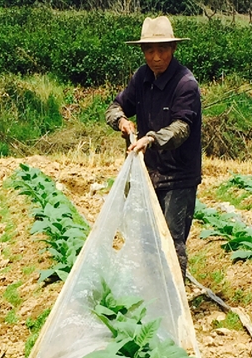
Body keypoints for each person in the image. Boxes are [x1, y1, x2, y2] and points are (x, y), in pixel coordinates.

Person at [106, 16, 202, 281]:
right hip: (149, 173)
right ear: (143, 51)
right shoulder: (142, 78)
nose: (156, 56)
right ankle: (151, 293)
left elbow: (181, 128)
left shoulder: (185, 84)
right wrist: (121, 121)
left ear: (173, 49)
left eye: (162, 50)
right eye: (149, 50)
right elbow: (115, 107)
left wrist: (150, 139)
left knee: (172, 241)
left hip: (178, 175)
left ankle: (175, 304)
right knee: (145, 239)